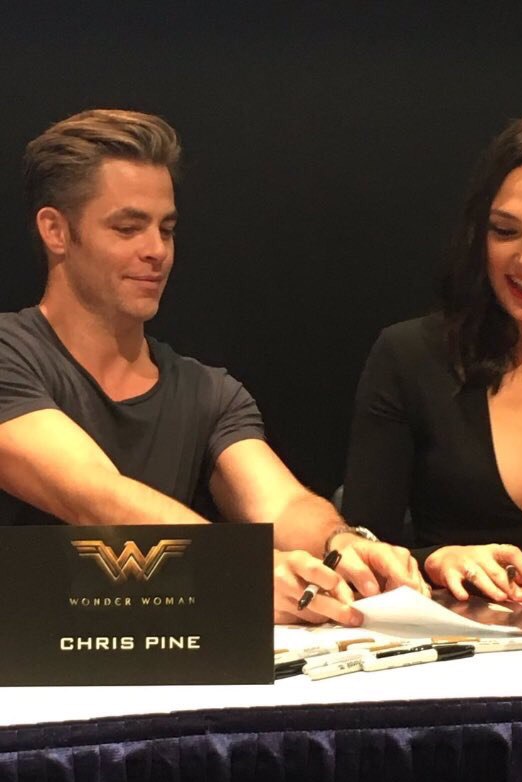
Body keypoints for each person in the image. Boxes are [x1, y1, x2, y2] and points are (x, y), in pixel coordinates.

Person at [0, 108, 428, 626]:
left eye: (166, 229)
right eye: (128, 228)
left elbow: (282, 505)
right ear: (56, 231)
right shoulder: (10, 352)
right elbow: (92, 495)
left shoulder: (209, 391)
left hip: (170, 656)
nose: (156, 251)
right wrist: (237, 571)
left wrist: (341, 544)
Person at [343, 111, 522, 602]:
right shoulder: (409, 357)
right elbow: (358, 549)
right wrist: (434, 561)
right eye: (505, 231)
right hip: (454, 639)